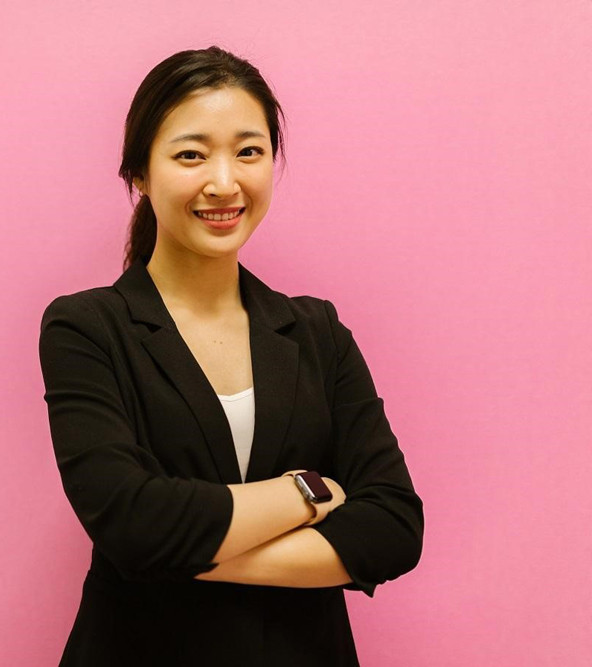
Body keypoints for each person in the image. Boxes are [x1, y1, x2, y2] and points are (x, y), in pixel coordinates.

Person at [38, 46, 424, 666]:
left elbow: (394, 527)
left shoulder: (317, 332)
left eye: (249, 151)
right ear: (139, 173)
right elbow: (131, 522)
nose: (224, 183)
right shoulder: (88, 327)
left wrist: (173, 553)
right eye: (191, 155)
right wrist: (307, 491)